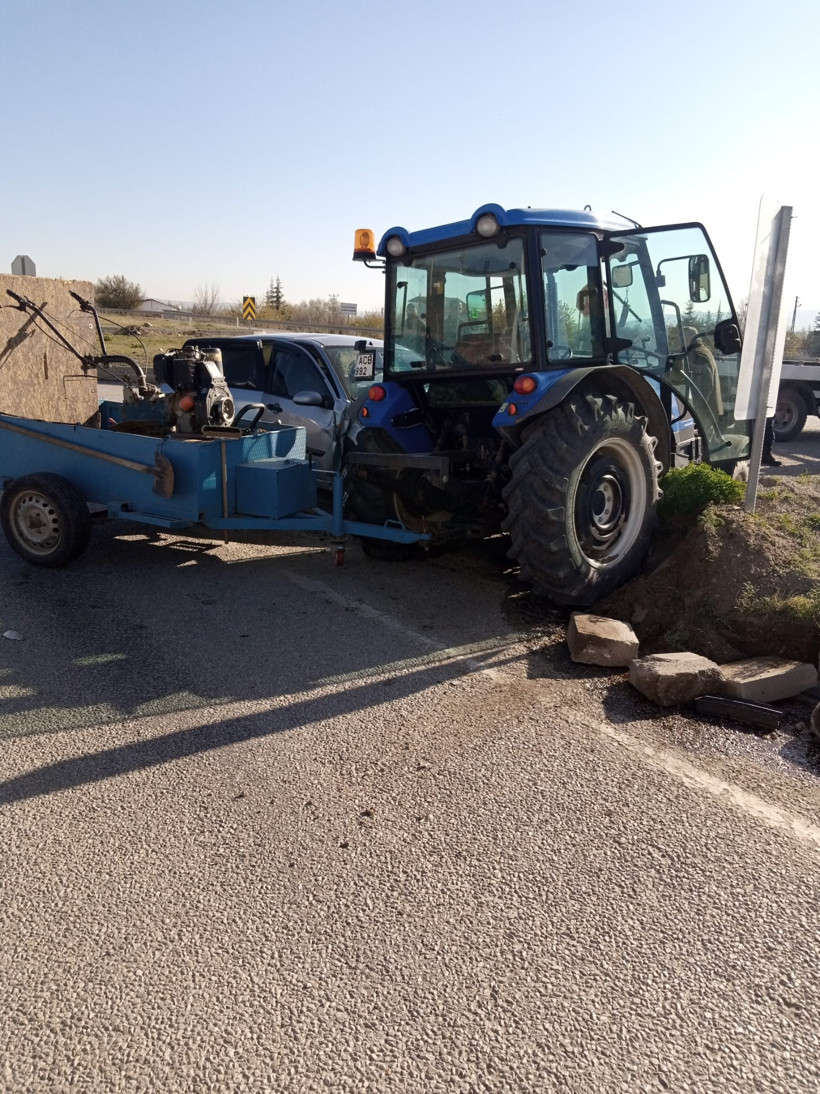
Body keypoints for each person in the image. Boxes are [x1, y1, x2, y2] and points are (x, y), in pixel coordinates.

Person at [682, 327, 723, 417]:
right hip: (709, 410)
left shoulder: (697, 355)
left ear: (690, 337)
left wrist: (699, 407)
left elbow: (705, 384)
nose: (680, 341)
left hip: (704, 412)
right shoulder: (703, 350)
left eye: (682, 337)